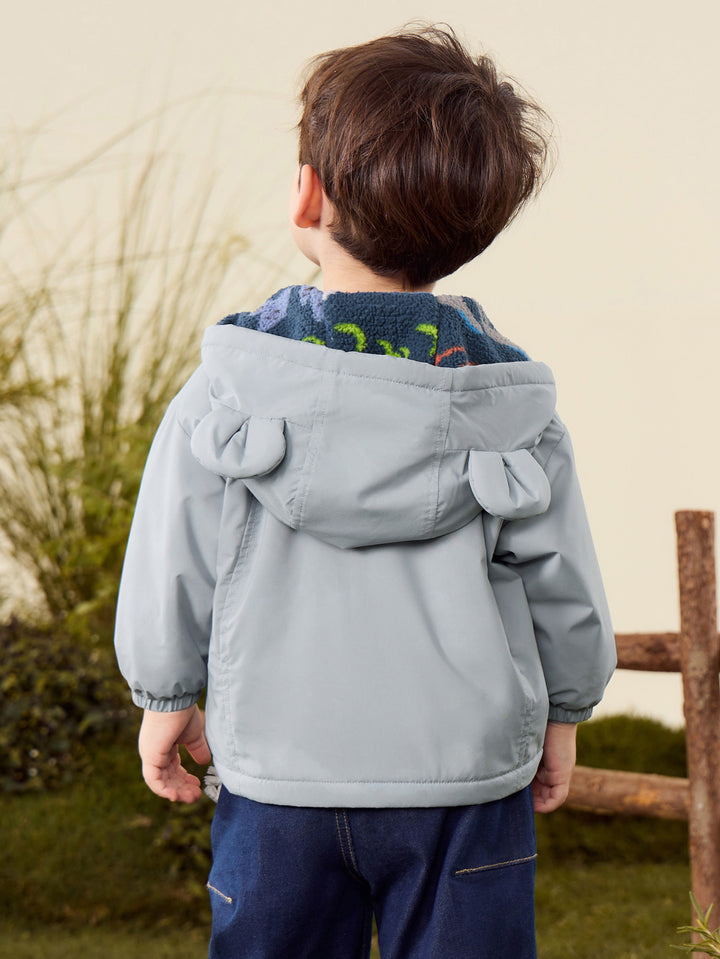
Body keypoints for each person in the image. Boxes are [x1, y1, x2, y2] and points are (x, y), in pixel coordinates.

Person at [115, 25, 616, 959]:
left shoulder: (228, 388)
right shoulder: (511, 403)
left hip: (279, 774)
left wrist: (165, 696)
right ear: (474, 230)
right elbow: (564, 584)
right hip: (465, 782)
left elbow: (169, 556)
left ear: (307, 193)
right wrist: (567, 711)